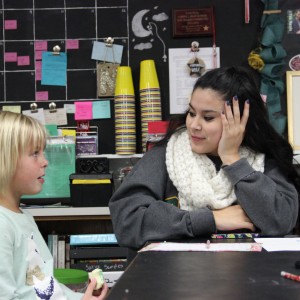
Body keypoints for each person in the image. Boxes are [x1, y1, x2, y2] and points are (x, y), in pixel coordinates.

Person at [109, 66, 300, 251]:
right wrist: (212, 219)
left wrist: (232, 159)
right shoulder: (166, 156)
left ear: (240, 119)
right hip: (174, 277)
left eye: (208, 118)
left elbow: (280, 221)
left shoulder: (263, 161)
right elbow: (127, 222)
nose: (193, 125)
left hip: (248, 277)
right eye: (192, 113)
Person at [0, 111, 108, 299]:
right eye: (35, 153)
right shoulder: (2, 225)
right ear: (5, 160)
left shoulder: (22, 217)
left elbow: (44, 287)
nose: (45, 162)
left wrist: (82, 298)